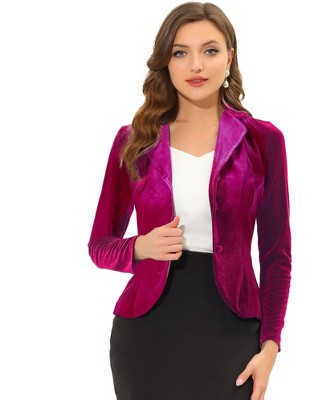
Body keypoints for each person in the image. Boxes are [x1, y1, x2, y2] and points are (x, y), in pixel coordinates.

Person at [88, 2, 291, 399]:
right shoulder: (134, 141)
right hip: (145, 338)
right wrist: (139, 247)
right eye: (181, 52)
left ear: (229, 57)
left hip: (232, 334)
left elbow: (276, 256)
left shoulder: (263, 141)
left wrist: (270, 347)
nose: (196, 65)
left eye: (210, 50)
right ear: (166, 61)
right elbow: (99, 245)